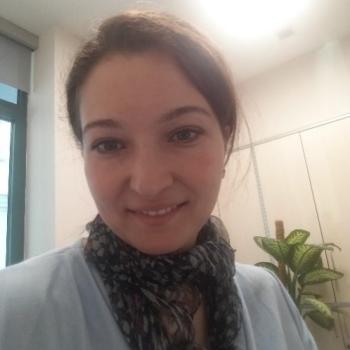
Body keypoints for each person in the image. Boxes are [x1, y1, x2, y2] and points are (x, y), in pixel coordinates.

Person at [0, 11, 318, 350]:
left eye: (183, 134)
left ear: (224, 143)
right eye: (110, 144)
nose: (149, 184)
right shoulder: (14, 309)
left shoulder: (270, 297)